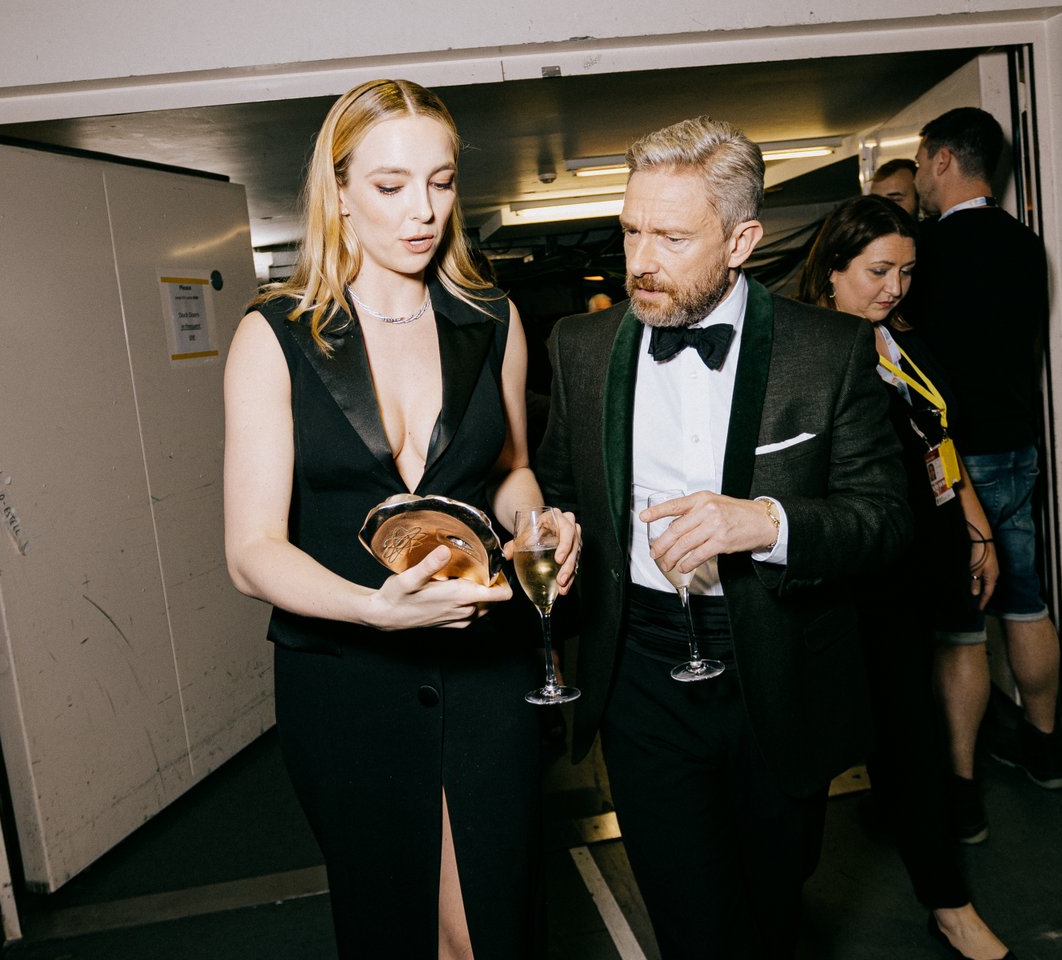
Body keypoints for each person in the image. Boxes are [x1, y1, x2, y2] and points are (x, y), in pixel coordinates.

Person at [535, 116, 911, 959]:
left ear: (741, 239)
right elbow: (563, 491)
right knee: (691, 920)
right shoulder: (582, 347)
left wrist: (766, 523)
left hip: (775, 669)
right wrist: (559, 531)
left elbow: (886, 522)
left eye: (670, 237)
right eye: (631, 229)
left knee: (774, 908)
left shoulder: (832, 351)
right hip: (638, 671)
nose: (638, 259)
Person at [222, 78, 577, 959]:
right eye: (390, 186)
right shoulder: (275, 335)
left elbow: (512, 470)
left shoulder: (492, 320)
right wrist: (374, 608)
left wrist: (537, 527)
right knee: (396, 926)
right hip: (349, 681)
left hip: (487, 668)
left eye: (442, 180)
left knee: (492, 920)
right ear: (337, 190)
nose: (422, 210)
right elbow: (251, 550)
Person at [800, 194, 1016, 960]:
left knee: (913, 737)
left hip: (914, 570)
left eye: (907, 272)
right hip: (845, 585)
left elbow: (941, 446)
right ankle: (772, 906)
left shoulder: (902, 347)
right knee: (812, 755)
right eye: (878, 271)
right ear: (833, 271)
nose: (893, 287)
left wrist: (977, 529)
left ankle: (948, 903)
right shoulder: (811, 355)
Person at [909, 107, 1062, 844]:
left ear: (944, 160)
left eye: (919, 162)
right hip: (1019, 451)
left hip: (958, 467)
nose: (915, 177)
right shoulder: (1026, 244)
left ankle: (965, 790)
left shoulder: (930, 253)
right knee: (1029, 605)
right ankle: (1046, 752)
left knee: (961, 631)